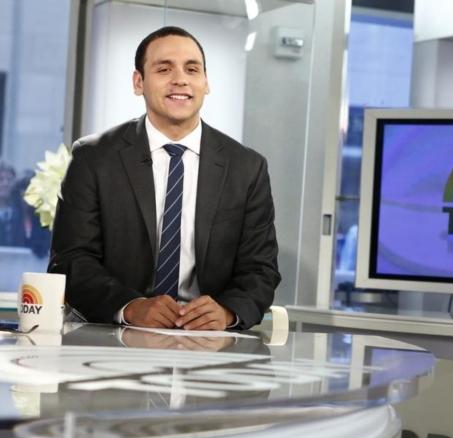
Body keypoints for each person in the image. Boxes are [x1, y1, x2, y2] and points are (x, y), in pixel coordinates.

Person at [49, 26, 280, 330]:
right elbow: (71, 260)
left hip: (207, 340)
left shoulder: (247, 167)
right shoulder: (94, 157)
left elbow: (260, 269)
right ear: (138, 82)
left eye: (192, 69)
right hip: (112, 332)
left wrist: (227, 311)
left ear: (206, 83)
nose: (180, 79)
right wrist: (130, 307)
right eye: (164, 69)